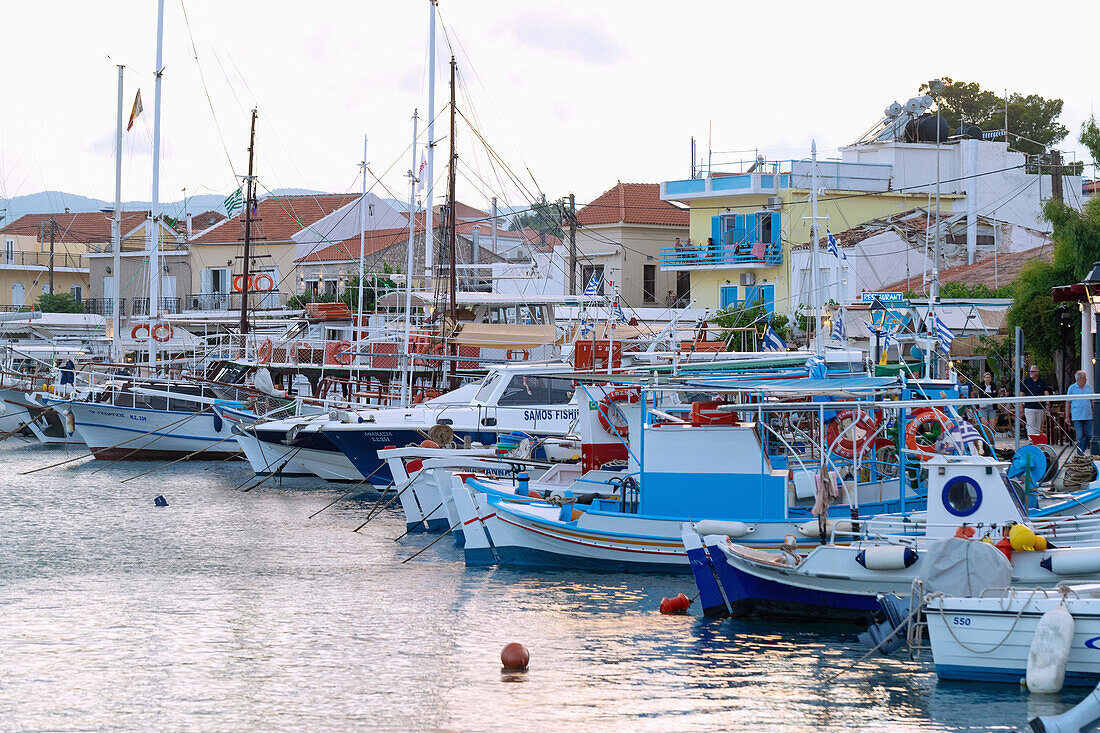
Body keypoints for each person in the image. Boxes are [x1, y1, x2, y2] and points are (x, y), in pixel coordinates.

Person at [1067, 369, 1095, 455]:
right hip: (1077, 415)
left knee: (1089, 435)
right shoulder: (1072, 388)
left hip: (1088, 415)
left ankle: (1082, 449)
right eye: (1084, 378)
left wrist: (1094, 412)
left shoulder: (1089, 387)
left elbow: (1092, 401)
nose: (1085, 380)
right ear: (1078, 379)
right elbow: (1068, 403)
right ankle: (1080, 454)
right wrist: (1067, 416)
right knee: (1079, 436)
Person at [1020, 365, 1049, 438]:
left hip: (1040, 407)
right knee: (1030, 424)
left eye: (1032, 371)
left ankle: (1036, 441)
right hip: (1029, 407)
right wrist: (1021, 406)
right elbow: (1021, 394)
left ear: (1037, 372)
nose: (1031, 373)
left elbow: (1046, 394)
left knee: (1038, 426)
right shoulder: (1026, 381)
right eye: (1030, 371)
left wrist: (1047, 405)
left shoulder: (1042, 382)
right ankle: (1031, 441)